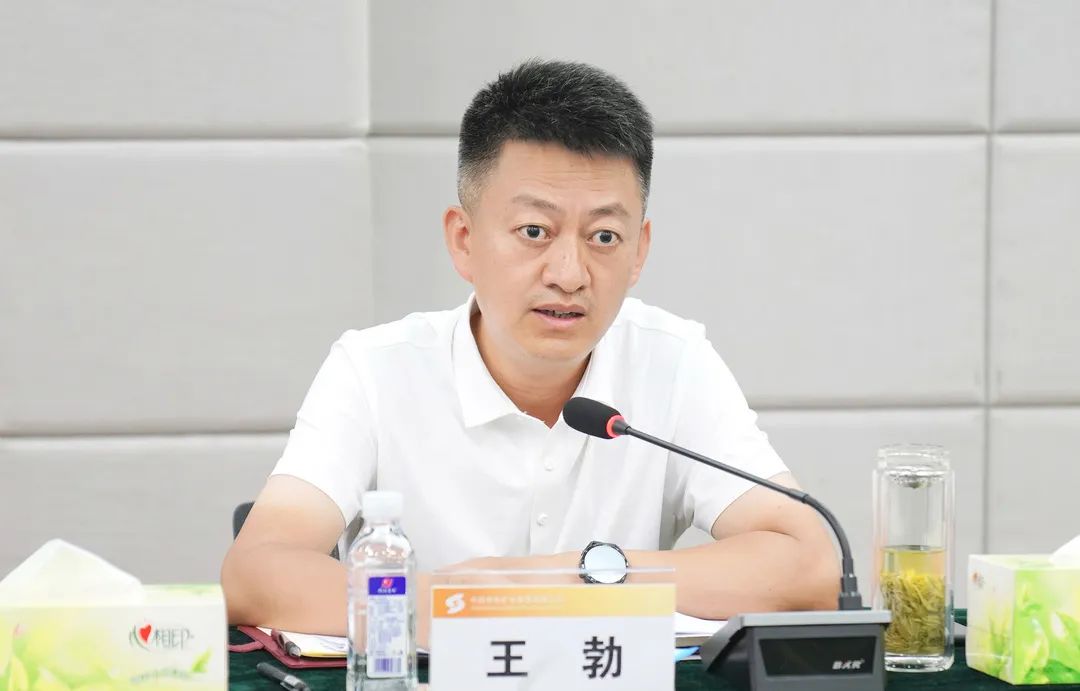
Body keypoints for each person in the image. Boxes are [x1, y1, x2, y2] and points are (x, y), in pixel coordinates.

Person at [221, 60, 838, 639]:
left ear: (639, 252)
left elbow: (807, 566)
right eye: (534, 231)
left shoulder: (673, 361)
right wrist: (462, 604)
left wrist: (571, 579)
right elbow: (256, 571)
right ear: (464, 240)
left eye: (604, 236)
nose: (569, 274)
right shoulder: (375, 369)